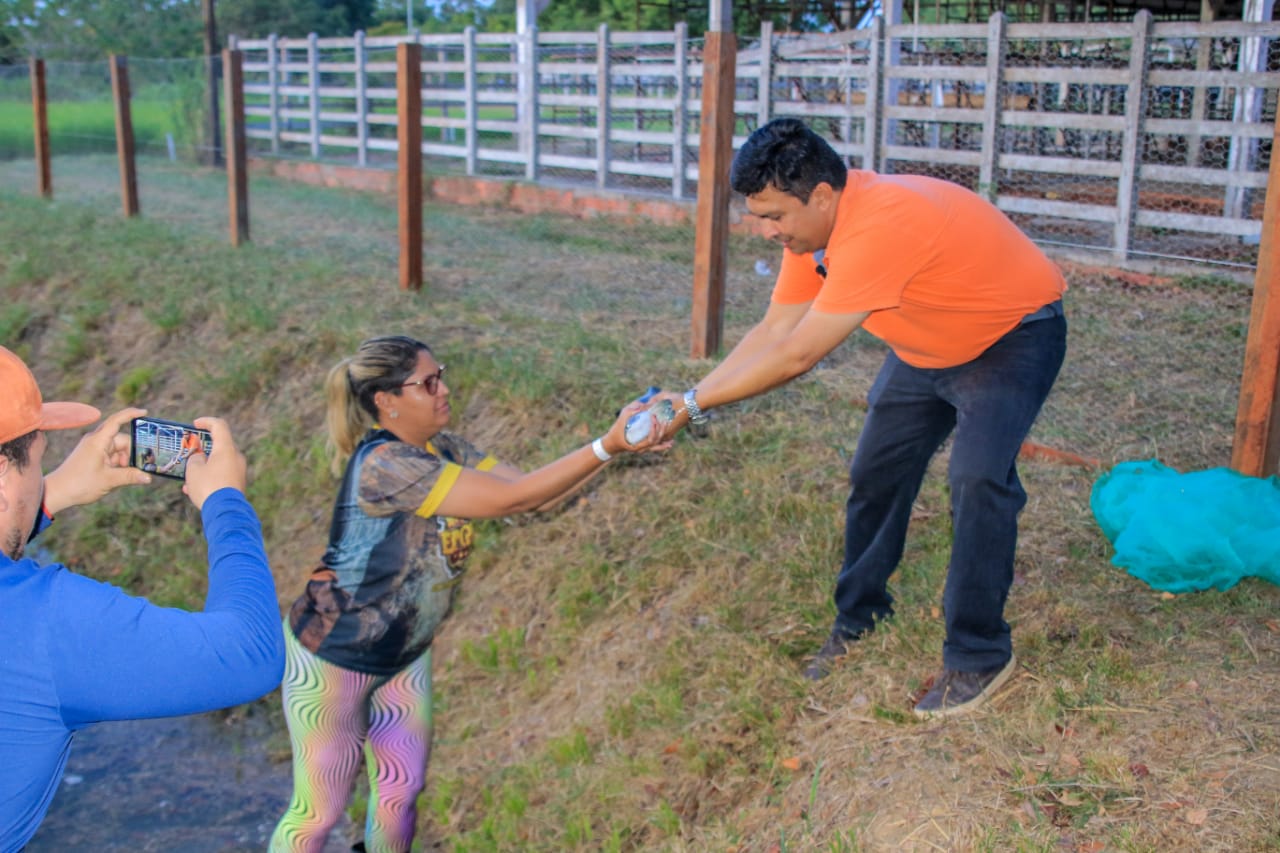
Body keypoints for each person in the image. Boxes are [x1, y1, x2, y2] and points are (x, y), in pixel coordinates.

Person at [655, 117, 1067, 719]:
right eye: (760, 217)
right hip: (926, 346)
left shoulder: (880, 224)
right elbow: (775, 330)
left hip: (1012, 336)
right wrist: (687, 397)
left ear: (821, 195)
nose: (767, 231)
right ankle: (859, 617)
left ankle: (978, 655)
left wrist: (693, 407)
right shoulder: (813, 235)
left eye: (774, 217)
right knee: (876, 471)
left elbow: (796, 356)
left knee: (978, 478)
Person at [270, 334, 665, 852]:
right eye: (428, 382)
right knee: (319, 812)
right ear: (387, 400)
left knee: (401, 793)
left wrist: (618, 445)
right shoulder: (386, 466)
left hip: (404, 653)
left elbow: (534, 497)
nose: (444, 389)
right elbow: (513, 498)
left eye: (442, 375)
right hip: (331, 657)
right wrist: (607, 445)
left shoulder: (447, 448)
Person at [0, 345, 285, 848]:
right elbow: (250, 655)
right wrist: (226, 504)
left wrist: (53, 492)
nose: (40, 478)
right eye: (38, 463)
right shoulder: (48, 625)